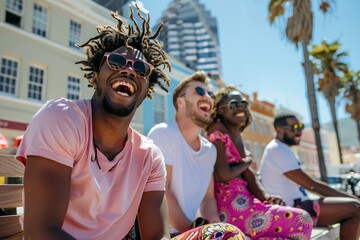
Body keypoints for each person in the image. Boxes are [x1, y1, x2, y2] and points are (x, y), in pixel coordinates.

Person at [15, 5, 172, 239]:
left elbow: (158, 236)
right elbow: (41, 232)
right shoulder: (61, 119)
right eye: (117, 61)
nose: (129, 70)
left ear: (147, 90)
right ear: (96, 75)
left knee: (223, 233)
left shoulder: (150, 157)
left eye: (141, 68)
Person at [205, 86, 313, 239]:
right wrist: (247, 162)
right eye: (234, 105)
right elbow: (223, 174)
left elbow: (250, 178)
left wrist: (267, 198)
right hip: (233, 209)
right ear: (221, 110)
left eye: (244, 104)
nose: (241, 108)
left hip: (247, 204)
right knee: (302, 220)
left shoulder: (236, 135)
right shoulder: (217, 130)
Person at [148, 72, 245, 239]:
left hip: (190, 231)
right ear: (181, 102)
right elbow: (161, 191)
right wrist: (193, 230)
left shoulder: (209, 150)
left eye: (210, 94)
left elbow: (208, 199)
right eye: (199, 92)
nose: (207, 97)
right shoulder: (163, 133)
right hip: (164, 234)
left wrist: (213, 224)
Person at [260, 113, 360, 240]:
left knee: (353, 211)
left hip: (301, 205)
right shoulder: (276, 149)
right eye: (295, 128)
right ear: (279, 129)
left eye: (301, 127)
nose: (300, 132)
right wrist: (351, 198)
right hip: (292, 210)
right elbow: (313, 186)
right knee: (355, 208)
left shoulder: (282, 148)